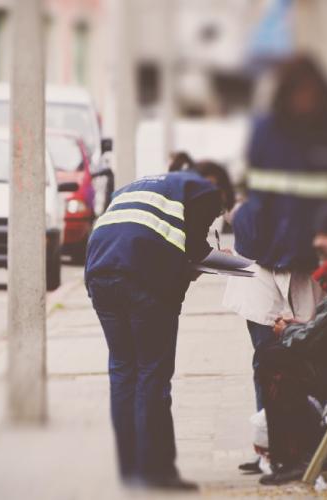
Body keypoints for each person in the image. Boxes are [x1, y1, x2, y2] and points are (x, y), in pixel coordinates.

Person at [223, 54, 327, 474]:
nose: (305, 101)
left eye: (312, 94)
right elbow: (258, 190)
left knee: (306, 357)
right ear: (287, 95)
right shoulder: (265, 131)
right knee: (266, 359)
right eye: (298, 93)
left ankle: (302, 446)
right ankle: (269, 448)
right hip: (260, 261)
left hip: (307, 265)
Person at [85, 163, 233, 490]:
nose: (216, 216)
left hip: (99, 274)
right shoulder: (206, 192)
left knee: (123, 372)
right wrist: (219, 260)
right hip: (141, 282)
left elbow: (161, 242)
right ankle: (156, 472)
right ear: (221, 193)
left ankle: (130, 469)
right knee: (152, 373)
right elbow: (193, 250)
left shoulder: (133, 187)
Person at [256, 203, 327, 485]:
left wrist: (287, 332)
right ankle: (292, 453)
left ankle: (296, 456)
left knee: (273, 359)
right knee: (272, 355)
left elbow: (314, 336)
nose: (318, 243)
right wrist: (296, 327)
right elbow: (321, 327)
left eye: (326, 235)